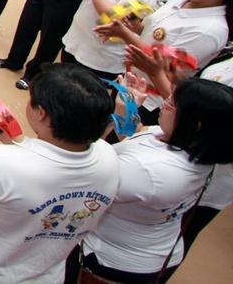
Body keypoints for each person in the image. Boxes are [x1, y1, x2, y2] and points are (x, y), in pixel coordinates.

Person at [0, 65, 119, 284]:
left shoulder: (3, 161)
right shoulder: (109, 158)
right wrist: (21, 144)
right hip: (43, 275)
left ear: (41, 113)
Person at [77, 78, 233, 282]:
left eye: (171, 104)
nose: (162, 104)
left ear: (196, 124)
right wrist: (128, 108)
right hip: (150, 245)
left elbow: (84, 175)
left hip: (114, 259)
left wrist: (102, 124)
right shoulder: (185, 143)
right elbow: (136, 134)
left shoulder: (153, 171)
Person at [96, 0, 231, 124]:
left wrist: (126, 34)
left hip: (149, 100)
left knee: (120, 136)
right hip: (130, 81)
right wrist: (136, 28)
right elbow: (158, 36)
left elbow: (166, 68)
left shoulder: (209, 30)